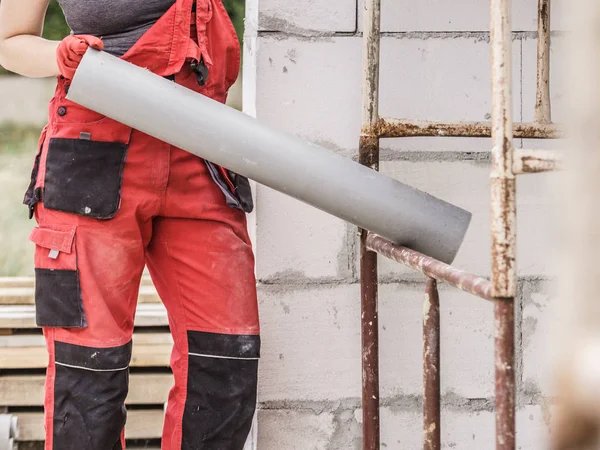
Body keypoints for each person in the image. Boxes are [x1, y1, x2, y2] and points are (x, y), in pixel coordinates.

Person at [0, 1, 260, 449]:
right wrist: (59, 54)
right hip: (93, 150)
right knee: (88, 377)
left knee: (225, 366)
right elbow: (9, 42)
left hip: (198, 147)